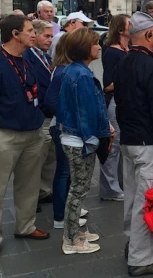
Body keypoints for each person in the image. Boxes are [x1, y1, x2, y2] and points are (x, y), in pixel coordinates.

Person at [0, 15, 50, 258]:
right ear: (15, 34)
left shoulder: (26, 60)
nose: (34, 34)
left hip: (32, 132)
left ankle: (25, 226)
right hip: (6, 135)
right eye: (29, 31)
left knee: (29, 184)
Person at [114, 11, 153, 276]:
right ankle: (140, 259)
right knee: (145, 202)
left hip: (129, 140)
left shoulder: (124, 62)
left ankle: (137, 244)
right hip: (146, 142)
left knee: (133, 198)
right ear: (148, 35)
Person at [57, 28, 111, 254]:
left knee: (79, 188)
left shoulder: (75, 71)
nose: (99, 47)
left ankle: (76, 233)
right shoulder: (81, 75)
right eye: (95, 43)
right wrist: (96, 139)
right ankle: (71, 240)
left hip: (76, 138)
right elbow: (86, 114)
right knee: (78, 190)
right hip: (79, 140)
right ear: (84, 48)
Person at [43, 34, 81, 230]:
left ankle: (65, 211)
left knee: (66, 172)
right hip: (63, 128)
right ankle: (60, 216)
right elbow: (50, 101)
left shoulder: (63, 69)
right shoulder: (63, 72)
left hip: (63, 126)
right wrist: (69, 117)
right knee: (64, 172)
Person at [99, 14, 131, 202]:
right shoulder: (112, 52)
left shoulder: (126, 50)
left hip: (125, 101)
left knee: (122, 145)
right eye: (129, 25)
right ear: (121, 30)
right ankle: (110, 188)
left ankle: (118, 183)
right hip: (114, 101)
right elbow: (108, 84)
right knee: (114, 145)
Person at [23, 20, 55, 207]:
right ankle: (31, 198)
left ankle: (43, 190)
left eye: (51, 36)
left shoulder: (46, 56)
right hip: (39, 114)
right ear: (35, 36)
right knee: (36, 160)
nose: (50, 40)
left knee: (49, 157)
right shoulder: (28, 57)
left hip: (48, 114)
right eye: (46, 36)